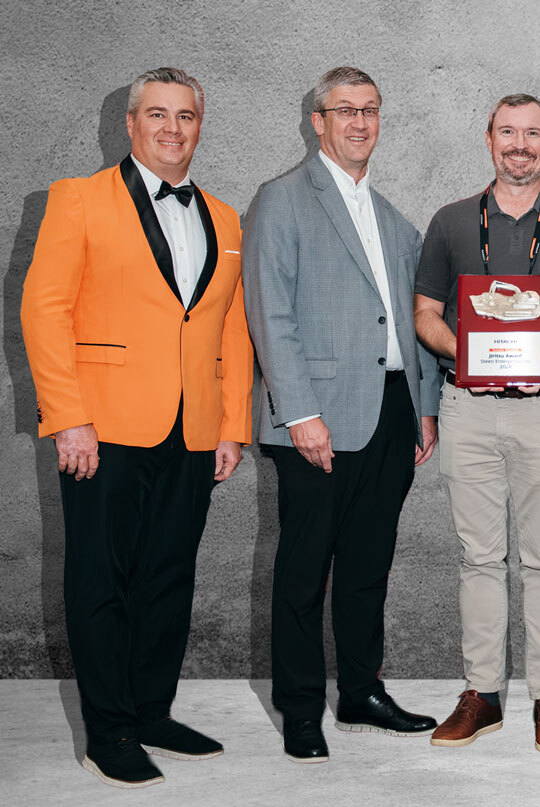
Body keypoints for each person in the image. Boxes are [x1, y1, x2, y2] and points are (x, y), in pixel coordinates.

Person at [20, 67, 252, 789]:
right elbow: (44, 311)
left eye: (185, 116)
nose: (171, 129)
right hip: (102, 429)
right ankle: (110, 729)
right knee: (100, 580)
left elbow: (231, 329)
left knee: (168, 578)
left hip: (193, 430)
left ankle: (152, 709)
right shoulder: (77, 200)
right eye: (157, 114)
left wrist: (232, 424)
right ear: (130, 123)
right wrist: (68, 418)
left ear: (199, 125)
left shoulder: (223, 216)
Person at [243, 66, 443, 764]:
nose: (359, 122)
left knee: (367, 565)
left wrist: (424, 408)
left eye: (370, 110)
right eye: (345, 110)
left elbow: (413, 325)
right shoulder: (282, 200)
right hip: (317, 413)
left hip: (391, 411)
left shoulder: (394, 219)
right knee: (304, 569)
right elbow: (270, 313)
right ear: (318, 120)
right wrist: (299, 410)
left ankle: (360, 689)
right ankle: (300, 707)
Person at [413, 93, 540, 754]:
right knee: (478, 555)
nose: (520, 144)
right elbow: (424, 314)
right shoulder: (448, 222)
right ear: (489, 138)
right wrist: (466, 351)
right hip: (467, 406)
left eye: (533, 133)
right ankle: (482, 693)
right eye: (508, 132)